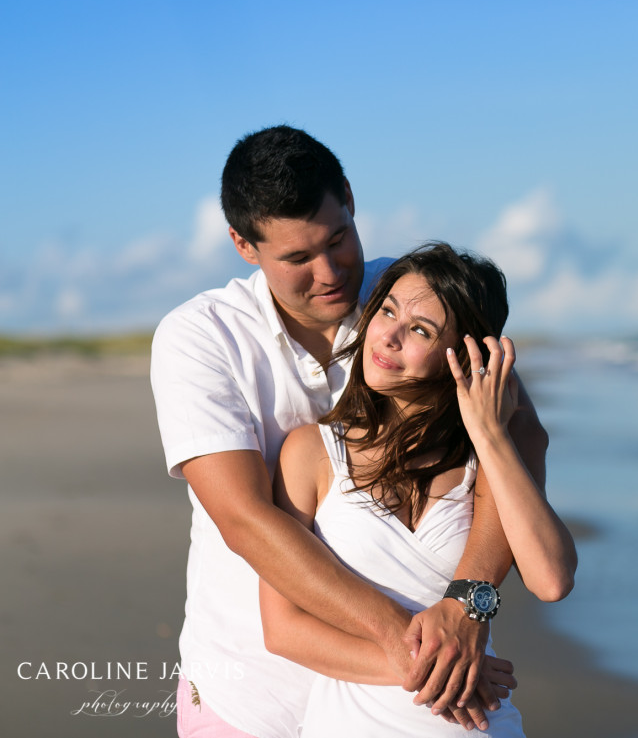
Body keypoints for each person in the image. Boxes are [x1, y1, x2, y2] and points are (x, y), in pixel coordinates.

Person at [151, 126, 548, 738]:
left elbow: (512, 435)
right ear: (243, 244)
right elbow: (245, 518)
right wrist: (416, 651)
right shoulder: (201, 337)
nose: (331, 271)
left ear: (350, 199)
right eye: (297, 258)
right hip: (252, 690)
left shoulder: (407, 299)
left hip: (415, 705)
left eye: (338, 240)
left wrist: (471, 602)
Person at [260, 242, 577, 736]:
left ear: (464, 354)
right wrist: (435, 667)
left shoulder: (491, 453)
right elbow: (284, 631)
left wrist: (491, 434)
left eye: (420, 330)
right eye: (386, 311)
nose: (388, 337)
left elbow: (551, 579)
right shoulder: (310, 452)